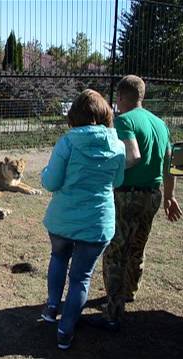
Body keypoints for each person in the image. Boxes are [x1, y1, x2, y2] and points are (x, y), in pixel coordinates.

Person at [88, 75, 182, 331]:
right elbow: (173, 163)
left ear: (119, 98)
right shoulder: (160, 124)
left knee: (115, 251)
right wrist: (171, 196)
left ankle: (113, 310)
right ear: (141, 95)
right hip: (153, 194)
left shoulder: (123, 121)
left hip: (128, 194)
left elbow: (132, 156)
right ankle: (129, 291)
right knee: (137, 246)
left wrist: (109, 172)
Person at [40, 89, 126, 350]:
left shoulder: (67, 142)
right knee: (81, 277)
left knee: (58, 257)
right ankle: (65, 332)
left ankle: (51, 308)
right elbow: (118, 181)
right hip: (97, 222)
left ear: (74, 115)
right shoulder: (118, 145)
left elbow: (51, 181)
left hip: (63, 219)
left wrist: (46, 173)